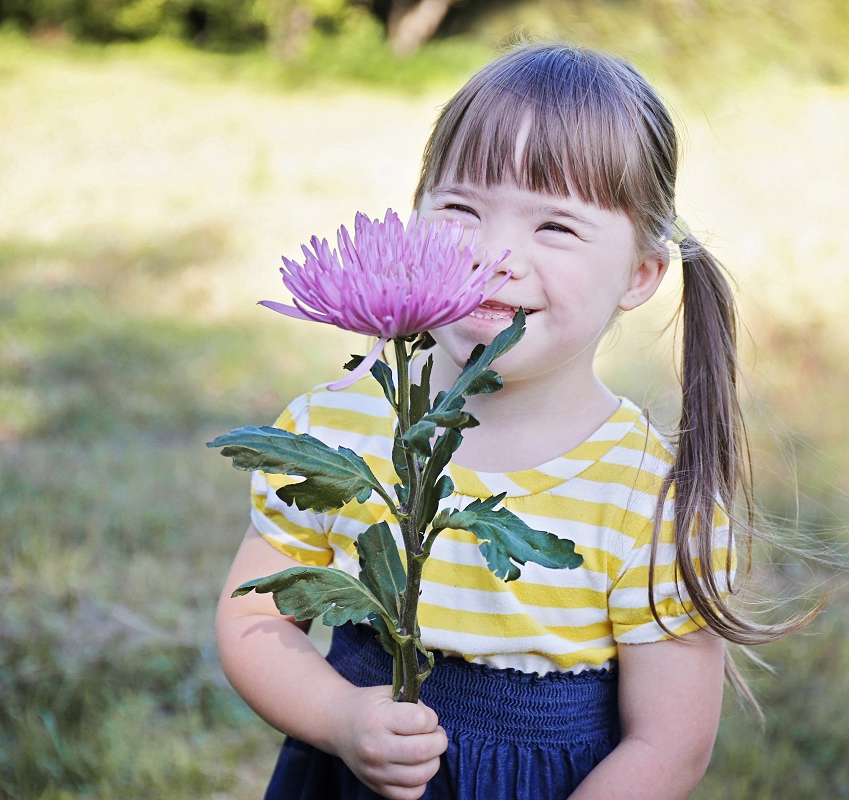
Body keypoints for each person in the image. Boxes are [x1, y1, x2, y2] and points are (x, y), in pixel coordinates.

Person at [217, 42, 803, 800]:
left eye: (555, 226)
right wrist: (338, 718)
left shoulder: (648, 501)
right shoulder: (336, 429)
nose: (496, 254)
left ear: (640, 274)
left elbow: (668, 747)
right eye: (461, 208)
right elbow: (254, 624)